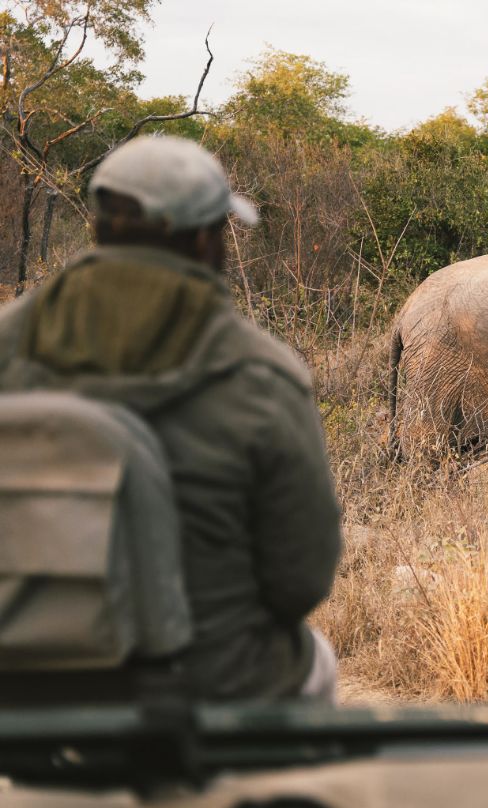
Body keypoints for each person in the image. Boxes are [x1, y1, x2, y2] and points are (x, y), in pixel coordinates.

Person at [0, 135, 343, 702]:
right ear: (208, 241)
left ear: (99, 226)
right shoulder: (260, 372)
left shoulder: (9, 345)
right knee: (321, 663)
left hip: (23, 682)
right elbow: (300, 581)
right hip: (210, 682)